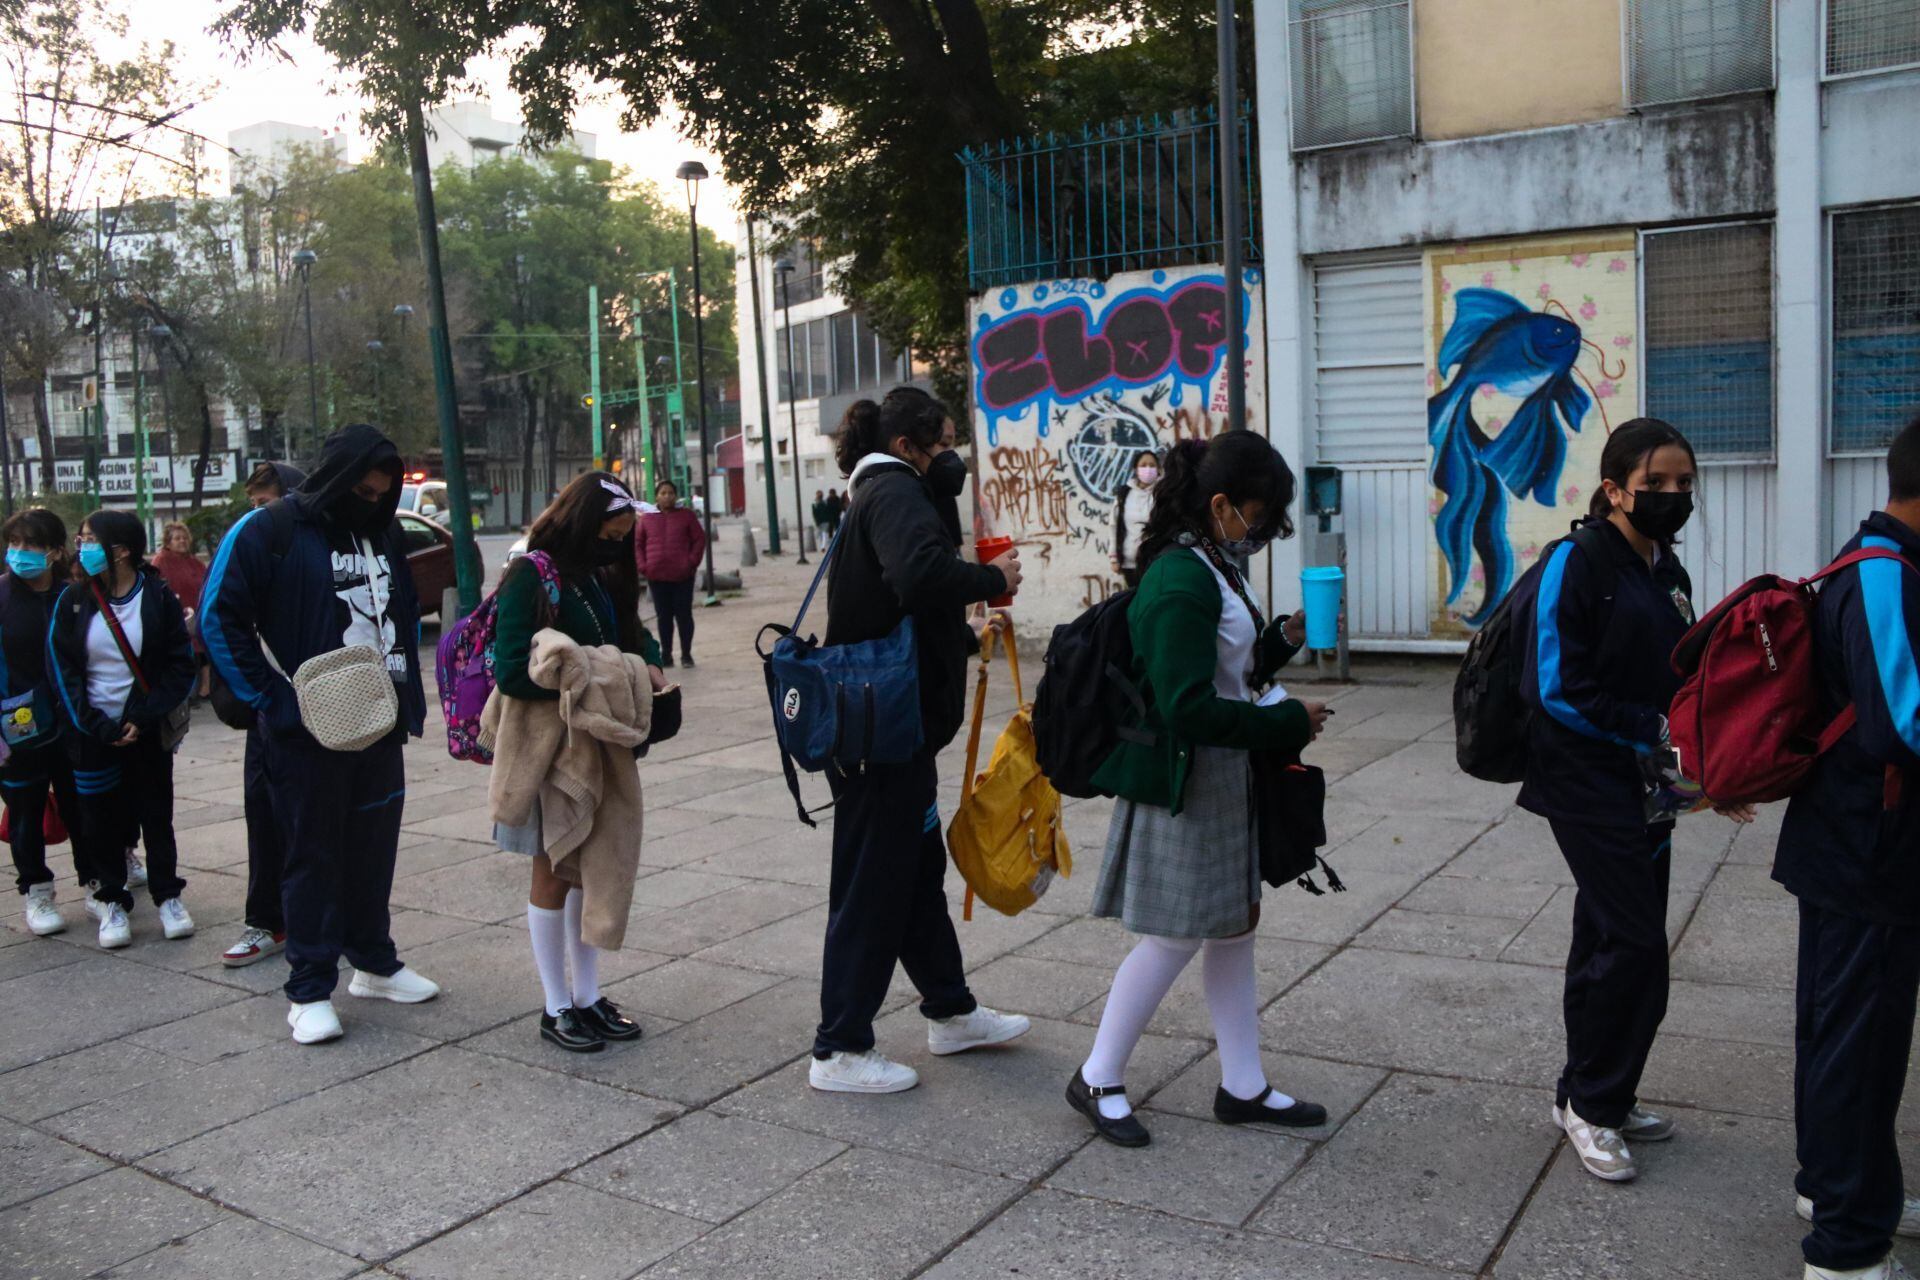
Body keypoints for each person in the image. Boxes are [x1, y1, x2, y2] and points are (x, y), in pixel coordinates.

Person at [1068, 434, 1329, 1147]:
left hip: (1224, 773)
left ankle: (1243, 1085)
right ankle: (1097, 1075)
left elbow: (1225, 666)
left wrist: (1277, 640)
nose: (1266, 530)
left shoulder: (1213, 560)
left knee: (1235, 927)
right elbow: (1184, 704)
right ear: (1221, 506)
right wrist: (1284, 721)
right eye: (1260, 515)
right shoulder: (1181, 577)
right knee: (1175, 935)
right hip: (1190, 776)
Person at [1512, 417, 1748, 1184]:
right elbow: (1557, 688)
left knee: (1609, 939)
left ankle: (1590, 1092)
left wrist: (1702, 775)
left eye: (1685, 485)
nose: (1675, 497)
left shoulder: (1664, 569)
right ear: (1614, 490)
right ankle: (1594, 1106)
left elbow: (1677, 687)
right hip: (1584, 782)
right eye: (1657, 486)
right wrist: (1649, 733)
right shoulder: (1575, 564)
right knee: (1638, 945)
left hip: (1646, 786)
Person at [810, 386, 1031, 1094]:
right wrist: (992, 578)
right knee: (873, 885)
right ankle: (839, 1048)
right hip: (883, 737)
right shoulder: (896, 490)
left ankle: (951, 1012)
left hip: (891, 728)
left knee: (912, 879)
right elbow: (919, 574)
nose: (951, 456)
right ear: (908, 446)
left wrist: (961, 633)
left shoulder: (882, 490)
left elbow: (893, 604)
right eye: (941, 441)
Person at [203, 425, 438, 1045]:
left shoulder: (384, 530)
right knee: (312, 854)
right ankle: (308, 987)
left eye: (383, 492)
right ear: (336, 478)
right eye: (362, 488)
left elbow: (404, 614)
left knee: (373, 846)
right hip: (307, 730)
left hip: (378, 724)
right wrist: (273, 701)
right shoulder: (268, 530)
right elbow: (217, 617)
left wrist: (408, 700)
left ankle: (374, 962)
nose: (373, 499)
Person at [1776, 414, 1920, 1280]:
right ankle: (1844, 1249)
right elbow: (1900, 718)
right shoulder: (1880, 572)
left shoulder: (1897, 567)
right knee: (1855, 1044)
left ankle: (1845, 1189)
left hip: (1870, 846)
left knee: (1849, 1034)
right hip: (1865, 849)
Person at [491, 471, 666, 1053]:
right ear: (585, 522)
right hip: (549, 750)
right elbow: (512, 668)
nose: (617, 545)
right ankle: (555, 1006)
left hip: (597, 743)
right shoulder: (531, 572)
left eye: (623, 537)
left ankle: (588, 998)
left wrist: (650, 664)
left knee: (590, 872)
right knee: (552, 871)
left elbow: (631, 633)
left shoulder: (597, 573)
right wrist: (592, 679)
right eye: (611, 534)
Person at [47, 509, 197, 949]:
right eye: (81, 538)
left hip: (146, 730)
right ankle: (111, 900)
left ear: (123, 549)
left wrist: (144, 715)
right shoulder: (73, 600)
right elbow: (62, 670)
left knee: (156, 815)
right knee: (98, 819)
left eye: (92, 539)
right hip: (92, 733)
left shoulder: (157, 597)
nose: (82, 546)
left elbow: (179, 664)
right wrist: (94, 723)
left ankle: (168, 895)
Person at [221, 461, 305, 968]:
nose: (257, 514)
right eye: (252, 505)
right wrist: (262, 696)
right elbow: (219, 621)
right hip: (272, 710)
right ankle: (266, 920)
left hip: (325, 705)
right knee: (264, 812)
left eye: (266, 503)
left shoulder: (310, 548)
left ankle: (323, 916)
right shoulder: (247, 550)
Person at [4, 509, 85, 939]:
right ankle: (36, 889)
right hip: (16, 727)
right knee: (25, 811)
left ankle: (95, 881)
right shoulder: (1, 596)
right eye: (13, 544)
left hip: (73, 721)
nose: (17, 553)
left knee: (82, 806)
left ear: (55, 551)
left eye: (28, 545)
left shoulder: (74, 596)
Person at [635, 478, 706, 669]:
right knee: (663, 618)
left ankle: (686, 655)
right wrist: (644, 567)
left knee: (684, 616)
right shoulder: (647, 518)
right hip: (657, 577)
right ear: (657, 496)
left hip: (683, 577)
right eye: (663, 493)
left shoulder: (686, 516)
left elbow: (699, 540)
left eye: (671, 493)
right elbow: (638, 544)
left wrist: (691, 563)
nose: (667, 496)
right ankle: (666, 655)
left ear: (676, 496)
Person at [151, 522, 209, 701]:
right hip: (175, 613)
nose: (182, 541)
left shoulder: (195, 562)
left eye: (184, 538)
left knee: (204, 650)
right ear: (168, 542)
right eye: (177, 538)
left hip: (197, 612)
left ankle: (205, 689)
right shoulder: (161, 561)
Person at [1109, 449, 1159, 589]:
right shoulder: (1125, 494)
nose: (1148, 469)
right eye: (1143, 465)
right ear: (1136, 469)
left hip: (1154, 561)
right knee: (1131, 602)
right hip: (1129, 563)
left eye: (1152, 465)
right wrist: (1114, 557)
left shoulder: (1162, 493)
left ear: (1158, 469)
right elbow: (1114, 526)